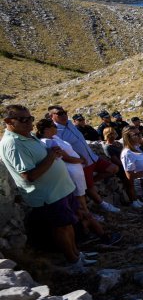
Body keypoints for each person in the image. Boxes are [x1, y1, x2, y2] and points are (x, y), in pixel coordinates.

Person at [1, 105, 93, 267]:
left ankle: (77, 254)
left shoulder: (28, 136)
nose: (29, 122)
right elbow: (29, 175)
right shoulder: (13, 144)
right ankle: (73, 261)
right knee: (61, 228)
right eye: (23, 119)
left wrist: (53, 154)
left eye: (30, 118)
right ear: (9, 121)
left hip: (61, 189)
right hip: (48, 194)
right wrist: (51, 157)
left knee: (68, 224)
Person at [50, 106, 120, 213]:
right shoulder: (55, 131)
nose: (64, 115)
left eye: (64, 112)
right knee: (90, 187)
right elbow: (62, 150)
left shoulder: (69, 123)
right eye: (60, 113)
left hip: (92, 157)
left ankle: (88, 184)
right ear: (52, 116)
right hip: (82, 163)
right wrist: (78, 159)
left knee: (113, 168)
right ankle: (103, 204)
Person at [102, 126, 138, 206]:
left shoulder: (117, 143)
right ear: (108, 135)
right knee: (128, 184)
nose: (115, 134)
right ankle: (133, 201)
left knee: (132, 184)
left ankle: (136, 199)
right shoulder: (108, 147)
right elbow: (114, 160)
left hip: (126, 165)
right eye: (113, 133)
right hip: (121, 168)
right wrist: (125, 165)